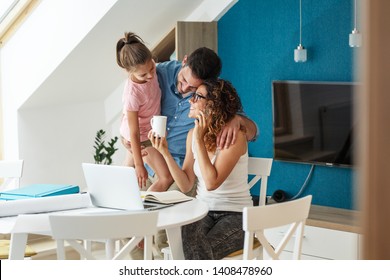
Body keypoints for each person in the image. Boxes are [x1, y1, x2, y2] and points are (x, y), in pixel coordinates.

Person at [149, 79, 253, 259]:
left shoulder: (234, 136)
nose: (191, 100)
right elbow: (186, 185)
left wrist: (199, 140)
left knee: (197, 252)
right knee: (184, 242)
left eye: (198, 96)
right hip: (201, 210)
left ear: (213, 104)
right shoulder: (192, 135)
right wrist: (165, 152)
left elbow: (212, 182)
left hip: (237, 215)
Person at [116, 32, 173, 191]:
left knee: (126, 173)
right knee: (166, 178)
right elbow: (134, 132)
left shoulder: (149, 67)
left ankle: (116, 198)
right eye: (143, 74)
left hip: (143, 130)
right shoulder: (132, 94)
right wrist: (140, 164)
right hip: (138, 136)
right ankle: (143, 212)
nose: (150, 75)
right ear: (129, 71)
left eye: (152, 68)